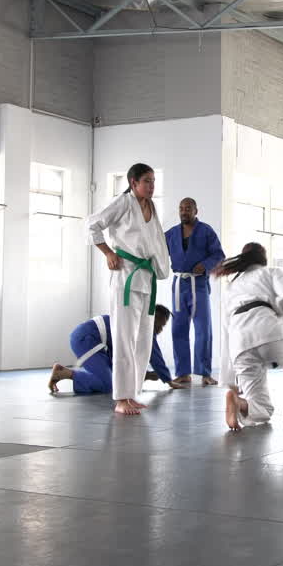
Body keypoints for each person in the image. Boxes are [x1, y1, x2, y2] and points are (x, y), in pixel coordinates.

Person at [86, 163, 171, 416]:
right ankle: (121, 398)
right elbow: (93, 225)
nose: (151, 185)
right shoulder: (123, 203)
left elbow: (156, 242)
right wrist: (108, 253)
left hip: (146, 278)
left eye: (154, 181)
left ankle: (132, 394)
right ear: (133, 183)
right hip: (125, 277)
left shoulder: (151, 207)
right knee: (124, 339)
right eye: (147, 181)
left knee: (143, 339)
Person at [216, 242, 283, 431]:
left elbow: (225, 331)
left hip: (239, 345)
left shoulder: (231, 286)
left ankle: (238, 401)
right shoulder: (271, 272)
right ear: (263, 258)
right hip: (269, 334)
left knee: (259, 408)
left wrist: (230, 381)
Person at [47, 306, 185, 406]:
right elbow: (155, 356)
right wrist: (168, 380)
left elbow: (122, 362)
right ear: (152, 318)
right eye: (160, 325)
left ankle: (65, 372)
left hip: (90, 338)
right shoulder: (145, 326)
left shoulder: (136, 322)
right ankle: (65, 373)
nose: (160, 330)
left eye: (163, 327)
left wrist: (146, 375)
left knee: (116, 377)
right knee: (108, 384)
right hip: (87, 338)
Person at [165, 197, 225, 387]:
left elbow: (219, 255)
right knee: (178, 329)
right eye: (181, 208)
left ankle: (205, 373)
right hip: (178, 284)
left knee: (203, 329)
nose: (184, 211)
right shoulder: (171, 234)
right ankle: (183, 373)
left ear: (196, 211)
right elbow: (156, 250)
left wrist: (205, 265)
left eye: (188, 208)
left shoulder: (206, 231)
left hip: (198, 284)